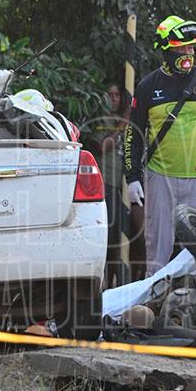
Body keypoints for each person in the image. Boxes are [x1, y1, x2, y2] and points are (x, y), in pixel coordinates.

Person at [124, 16, 196, 275]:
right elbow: (134, 134)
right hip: (160, 176)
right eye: (181, 47)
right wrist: (132, 177)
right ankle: (152, 308)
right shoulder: (148, 86)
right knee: (157, 249)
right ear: (166, 49)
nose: (188, 52)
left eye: (191, 47)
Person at [84, 84, 131, 286]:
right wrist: (122, 126)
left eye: (117, 95)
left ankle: (123, 282)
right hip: (107, 185)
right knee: (110, 239)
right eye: (109, 95)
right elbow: (103, 147)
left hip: (127, 188)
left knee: (126, 239)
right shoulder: (100, 122)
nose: (113, 99)